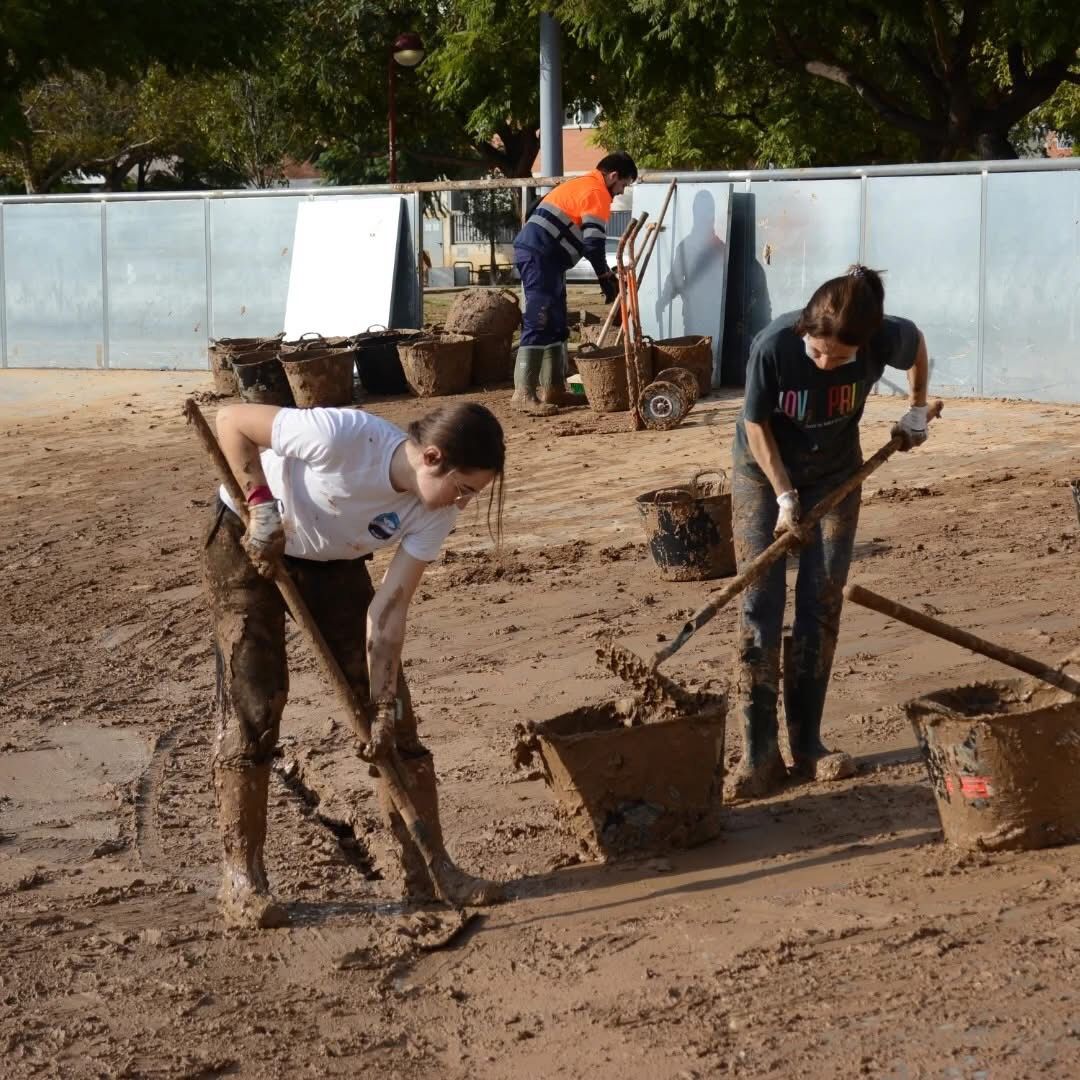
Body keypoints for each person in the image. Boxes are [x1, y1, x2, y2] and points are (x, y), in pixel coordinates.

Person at [203, 400, 506, 927]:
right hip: (247, 536)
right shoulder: (343, 437)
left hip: (331, 558)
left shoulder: (435, 511)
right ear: (432, 457)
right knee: (256, 699)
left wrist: (383, 703)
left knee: (394, 717)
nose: (463, 502)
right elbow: (230, 421)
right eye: (463, 488)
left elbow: (388, 612)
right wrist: (262, 505)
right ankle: (241, 882)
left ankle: (429, 876)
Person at [727, 265, 931, 800]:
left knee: (820, 600)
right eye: (817, 352)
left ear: (864, 346)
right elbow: (755, 424)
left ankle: (809, 745)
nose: (824, 363)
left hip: (838, 475)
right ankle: (758, 753)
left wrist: (915, 411)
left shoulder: (884, 335)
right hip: (763, 473)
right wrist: (784, 495)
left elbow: (919, 347)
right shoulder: (774, 346)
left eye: (839, 359)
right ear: (806, 331)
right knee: (760, 601)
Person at [511, 151, 638, 415]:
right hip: (539, 256)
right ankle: (522, 394)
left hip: (547, 257)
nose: (620, 192)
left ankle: (554, 390)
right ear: (613, 176)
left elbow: (534, 207)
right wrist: (605, 277)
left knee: (556, 321)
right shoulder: (597, 193)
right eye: (623, 185)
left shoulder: (580, 183)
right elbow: (593, 244)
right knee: (539, 318)